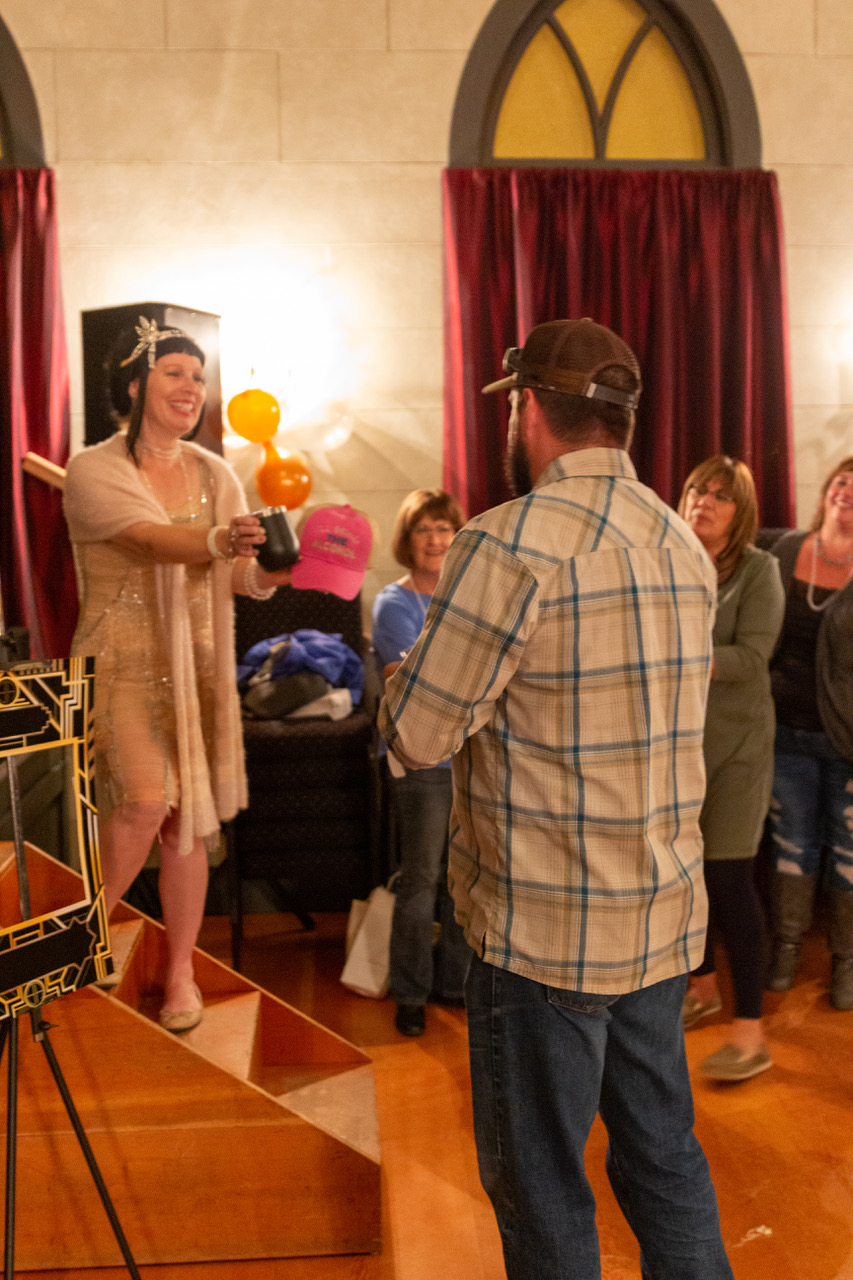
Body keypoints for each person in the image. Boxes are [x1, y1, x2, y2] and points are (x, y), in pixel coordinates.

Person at [379, 319, 734, 1280]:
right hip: (659, 918)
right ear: (621, 419)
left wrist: (407, 676)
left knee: (541, 1190)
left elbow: (417, 737)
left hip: (543, 933)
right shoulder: (680, 540)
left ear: (528, 410)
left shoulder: (507, 544)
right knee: (664, 1162)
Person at [63, 317, 292, 1032]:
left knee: (186, 824)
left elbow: (234, 576)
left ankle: (182, 971)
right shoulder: (93, 468)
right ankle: (79, 941)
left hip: (196, 671)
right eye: (174, 372)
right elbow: (148, 540)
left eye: (198, 375)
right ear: (135, 384)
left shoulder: (215, 472)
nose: (192, 386)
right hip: (121, 665)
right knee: (144, 800)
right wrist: (223, 538)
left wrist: (269, 571)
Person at [677, 457, 784, 1081]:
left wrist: (679, 652)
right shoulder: (669, 562)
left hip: (739, 752)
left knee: (729, 881)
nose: (704, 501)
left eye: (720, 495)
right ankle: (702, 988)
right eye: (698, 489)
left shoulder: (759, 569)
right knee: (687, 879)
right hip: (680, 748)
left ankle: (750, 1033)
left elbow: (752, 656)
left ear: (740, 511)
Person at [372, 489, 471, 1037]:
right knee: (422, 879)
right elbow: (403, 677)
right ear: (408, 540)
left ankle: (455, 984)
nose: (436, 539)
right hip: (418, 760)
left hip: (470, 757)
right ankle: (410, 993)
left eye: (444, 528)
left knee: (463, 878)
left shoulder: (468, 597)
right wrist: (459, 670)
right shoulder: (393, 602)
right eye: (424, 529)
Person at [765, 455, 853, 1010]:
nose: (848, 491)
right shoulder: (780, 550)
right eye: (842, 481)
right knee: (791, 844)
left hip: (847, 740)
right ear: (826, 491)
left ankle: (847, 961)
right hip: (783, 734)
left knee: (850, 851)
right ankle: (787, 948)